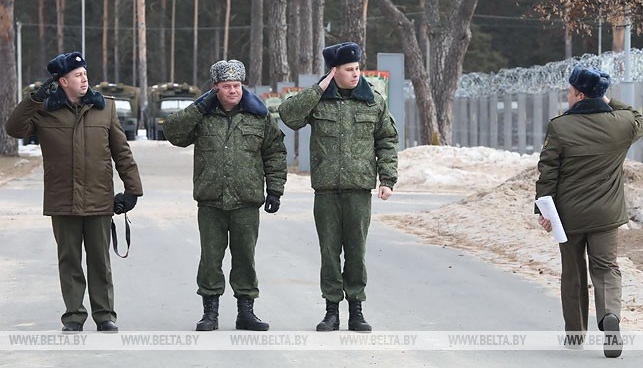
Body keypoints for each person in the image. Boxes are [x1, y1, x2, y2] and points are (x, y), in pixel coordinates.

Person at [5, 51, 143, 333]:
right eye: (78, 76)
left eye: (85, 74)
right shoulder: (44, 110)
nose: (84, 79)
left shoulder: (105, 108)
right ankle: (74, 316)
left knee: (100, 262)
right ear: (63, 81)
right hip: (62, 200)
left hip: (99, 198)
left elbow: (122, 153)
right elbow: (14, 129)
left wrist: (133, 190)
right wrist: (33, 99)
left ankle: (105, 315)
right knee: (69, 262)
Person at [278, 42, 398, 332]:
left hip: (359, 189)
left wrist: (388, 179)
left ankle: (356, 309)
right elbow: (289, 116)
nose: (356, 74)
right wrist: (319, 88)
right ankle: (331, 310)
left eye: (357, 68)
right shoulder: (318, 100)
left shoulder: (373, 100)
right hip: (327, 190)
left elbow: (387, 140)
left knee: (356, 251)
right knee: (329, 252)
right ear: (334, 71)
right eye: (348, 69)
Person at [163, 59, 287, 332]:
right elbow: (173, 133)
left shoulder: (258, 116)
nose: (233, 91)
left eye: (237, 85)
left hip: (246, 201)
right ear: (215, 88)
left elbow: (275, 152)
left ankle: (246, 312)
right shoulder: (203, 115)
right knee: (210, 258)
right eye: (226, 86)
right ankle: (210, 313)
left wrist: (275, 189)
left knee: (245, 257)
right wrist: (199, 106)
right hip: (211, 200)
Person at [535, 66, 643, 357]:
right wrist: (608, 100)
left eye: (570, 92)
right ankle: (610, 317)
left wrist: (543, 210)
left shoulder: (560, 126)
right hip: (607, 215)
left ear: (580, 94)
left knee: (573, 271)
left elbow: (547, 173)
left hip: (568, 216)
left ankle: (575, 333)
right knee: (606, 267)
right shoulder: (621, 124)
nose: (567, 96)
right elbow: (638, 118)